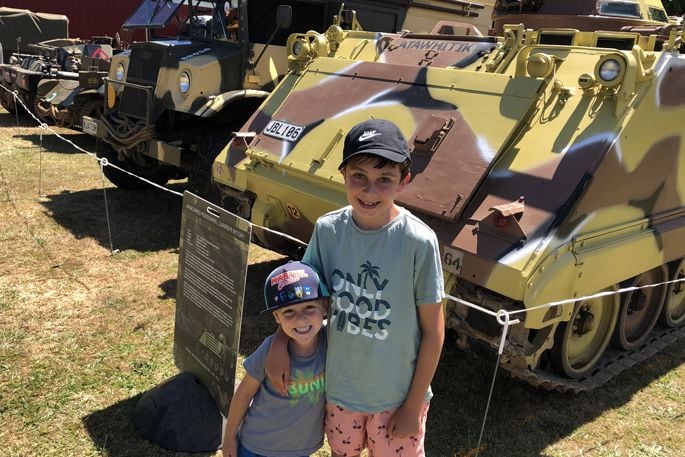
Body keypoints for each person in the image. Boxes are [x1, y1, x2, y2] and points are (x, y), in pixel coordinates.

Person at [267, 118, 445, 457]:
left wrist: (411, 406)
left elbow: (434, 332)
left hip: (397, 397)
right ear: (343, 174)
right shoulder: (327, 230)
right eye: (359, 176)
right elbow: (302, 301)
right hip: (341, 391)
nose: (370, 190)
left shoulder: (419, 241)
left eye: (384, 180)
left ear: (403, 181)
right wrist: (279, 343)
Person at [222, 261, 329, 457]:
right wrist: (229, 438)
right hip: (256, 446)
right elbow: (244, 393)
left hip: (300, 449)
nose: (301, 319)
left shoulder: (331, 341)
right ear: (277, 317)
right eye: (289, 311)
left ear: (324, 307)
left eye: (309, 307)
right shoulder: (268, 350)